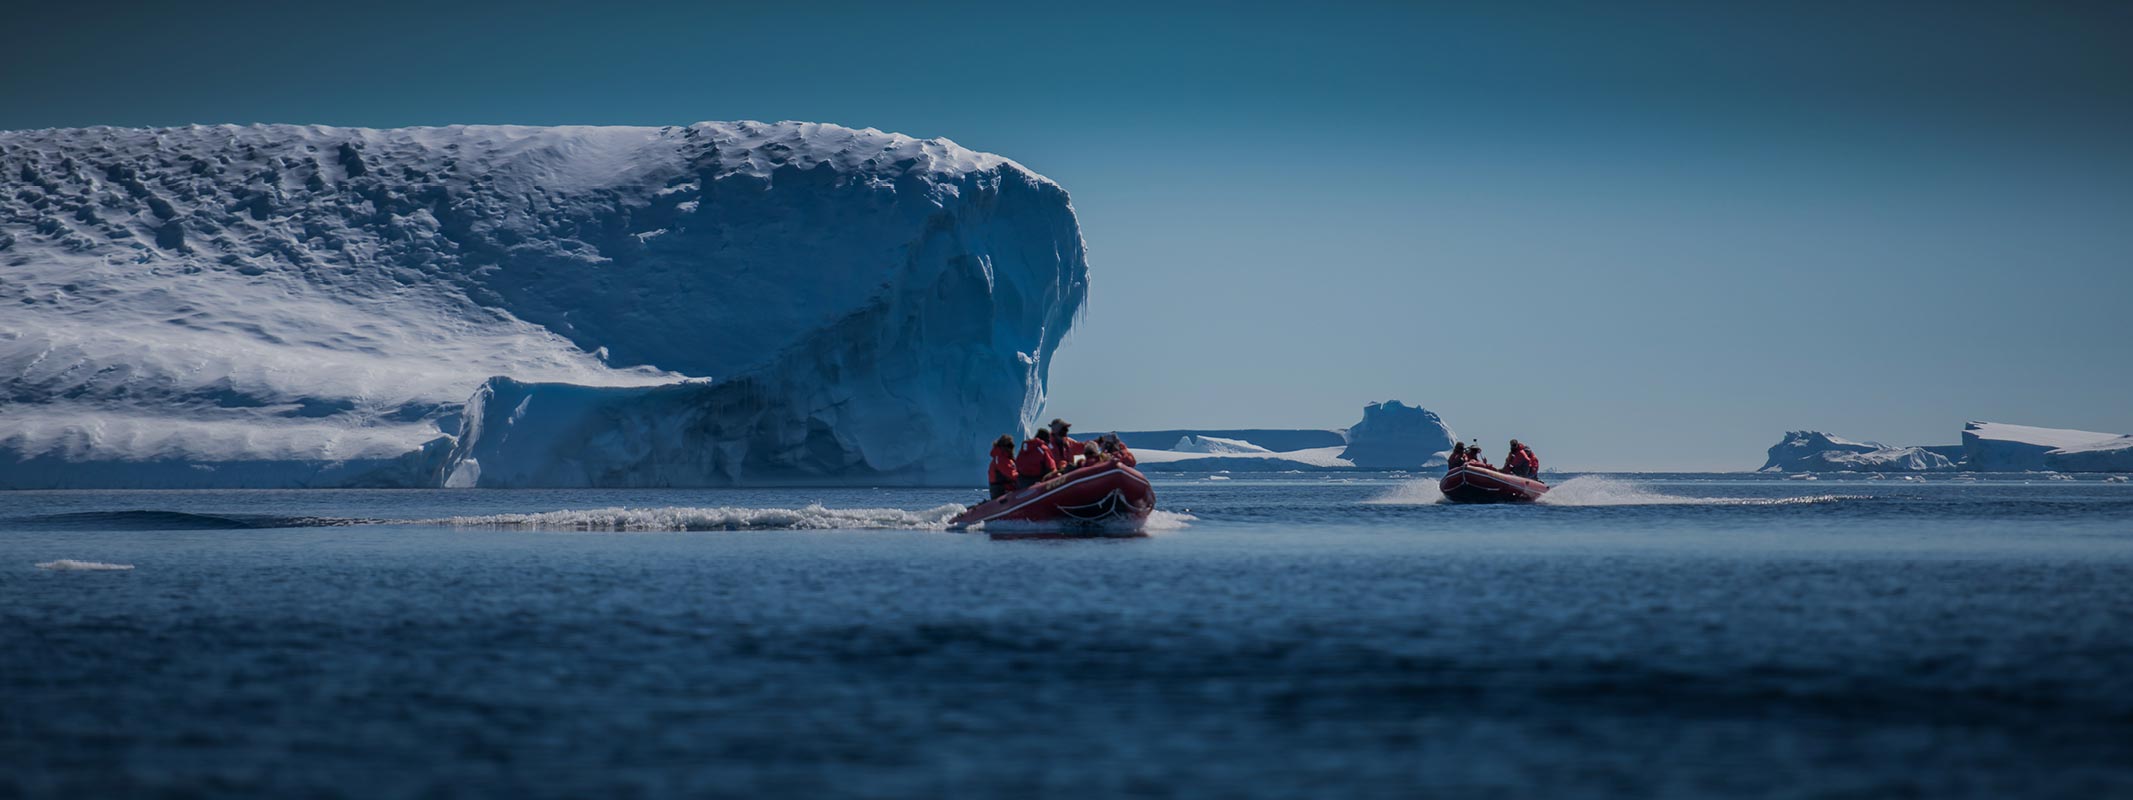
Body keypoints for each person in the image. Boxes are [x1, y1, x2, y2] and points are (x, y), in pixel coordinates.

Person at [987, 434, 1018, 499]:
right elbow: (1011, 474)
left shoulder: (1007, 459)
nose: (1012, 448)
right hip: (1002, 491)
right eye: (1010, 445)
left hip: (1007, 490)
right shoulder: (1000, 459)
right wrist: (1024, 478)